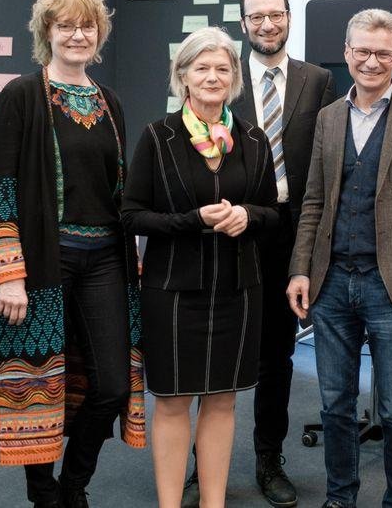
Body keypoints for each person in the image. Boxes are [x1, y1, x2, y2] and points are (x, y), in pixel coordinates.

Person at [0, 0, 145, 508]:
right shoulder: (21, 96)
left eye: (88, 26)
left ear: (100, 35)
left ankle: (75, 483)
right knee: (37, 384)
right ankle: (44, 494)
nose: (78, 35)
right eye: (66, 25)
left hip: (104, 261)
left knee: (112, 386)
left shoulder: (109, 101)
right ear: (46, 32)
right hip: (42, 264)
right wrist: (10, 271)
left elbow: (119, 190)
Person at [286, 8, 392, 508]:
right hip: (332, 281)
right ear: (347, 53)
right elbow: (314, 201)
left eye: (383, 52)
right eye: (362, 50)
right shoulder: (329, 117)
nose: (371, 61)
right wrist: (300, 268)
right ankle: (341, 496)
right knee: (336, 405)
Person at [180, 0, 336, 508]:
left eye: (276, 15)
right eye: (255, 18)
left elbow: (327, 161)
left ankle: (269, 459)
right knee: (212, 348)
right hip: (223, 225)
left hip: (287, 227)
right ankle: (204, 467)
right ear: (243, 24)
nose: (267, 25)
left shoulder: (318, 81)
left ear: (289, 17)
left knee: (277, 353)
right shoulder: (220, 72)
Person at [122, 26, 280, 508]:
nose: (213, 77)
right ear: (183, 76)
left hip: (238, 289)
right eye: (202, 67)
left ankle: (214, 503)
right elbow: (130, 215)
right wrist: (191, 221)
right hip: (173, 291)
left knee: (224, 400)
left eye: (223, 68)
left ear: (234, 77)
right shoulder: (158, 136)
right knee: (171, 402)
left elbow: (274, 212)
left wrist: (247, 215)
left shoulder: (253, 138)